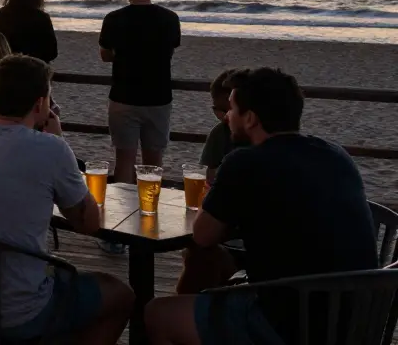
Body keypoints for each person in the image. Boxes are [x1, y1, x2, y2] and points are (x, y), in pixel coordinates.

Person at [145, 68, 377, 345]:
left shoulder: (245, 162)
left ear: (251, 118)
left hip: (292, 325)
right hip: (359, 320)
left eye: (231, 109)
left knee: (158, 313)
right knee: (210, 261)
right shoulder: (336, 154)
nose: (227, 117)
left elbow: (202, 234)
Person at [0, 55, 133, 343]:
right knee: (121, 295)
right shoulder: (51, 149)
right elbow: (89, 223)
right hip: (19, 311)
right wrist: (60, 141)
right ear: (40, 103)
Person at [99, 0, 181, 184]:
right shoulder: (170, 19)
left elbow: (105, 55)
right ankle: (150, 207)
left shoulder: (114, 18)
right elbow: (169, 52)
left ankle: (121, 208)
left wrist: (121, 53)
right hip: (159, 96)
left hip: (123, 96)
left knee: (124, 159)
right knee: (153, 160)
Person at [200, 68, 241, 183]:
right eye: (216, 109)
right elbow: (206, 173)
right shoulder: (219, 134)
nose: (225, 117)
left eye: (229, 110)